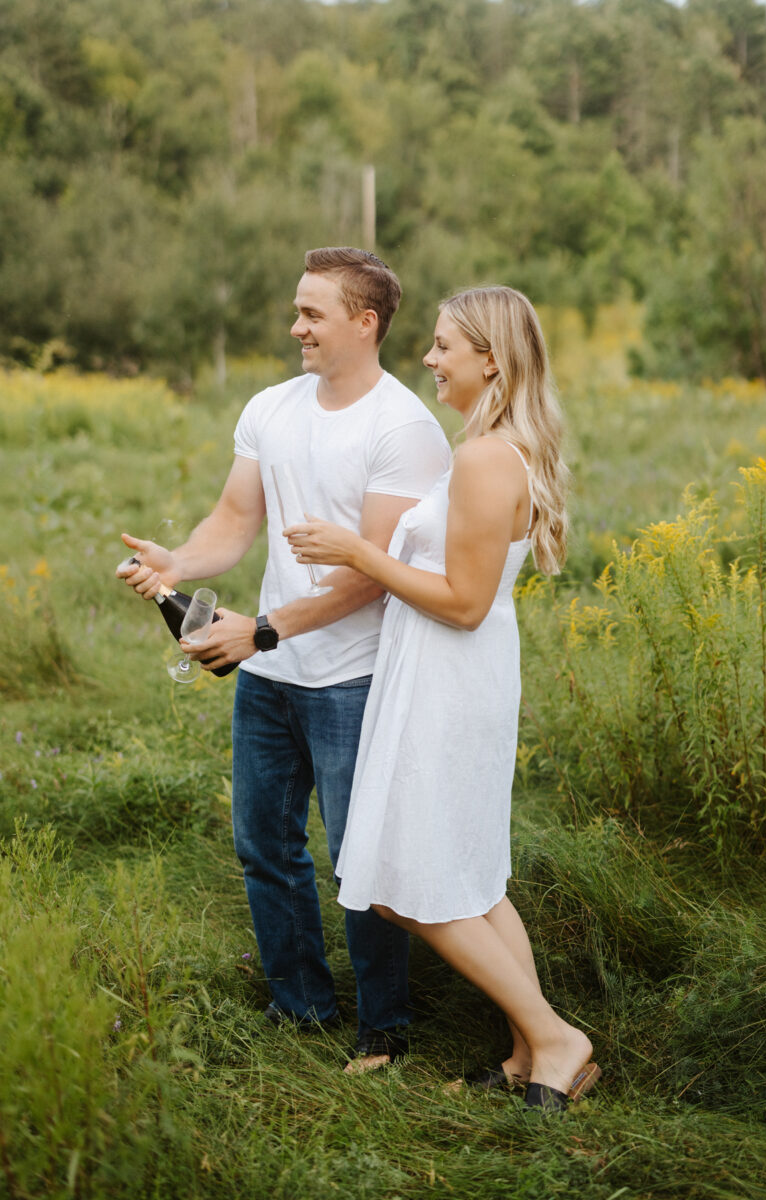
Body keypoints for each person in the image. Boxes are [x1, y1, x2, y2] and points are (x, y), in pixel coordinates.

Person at [117, 247, 451, 1070]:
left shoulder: (404, 428)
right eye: (297, 310)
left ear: (365, 323)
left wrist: (260, 630)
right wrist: (178, 563)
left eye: (313, 313)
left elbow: (371, 577)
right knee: (264, 843)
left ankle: (386, 1026)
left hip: (355, 677)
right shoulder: (271, 406)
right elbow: (235, 519)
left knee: (359, 854)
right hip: (271, 675)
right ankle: (300, 1007)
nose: (295, 325)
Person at [284, 286, 600, 1111]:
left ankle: (558, 1035)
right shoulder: (493, 447)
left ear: (490, 358)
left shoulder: (488, 456)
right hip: (445, 676)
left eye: (442, 346)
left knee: (407, 882)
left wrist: (358, 549)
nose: (428, 359)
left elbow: (462, 600)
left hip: (450, 681)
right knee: (473, 878)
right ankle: (531, 1051)